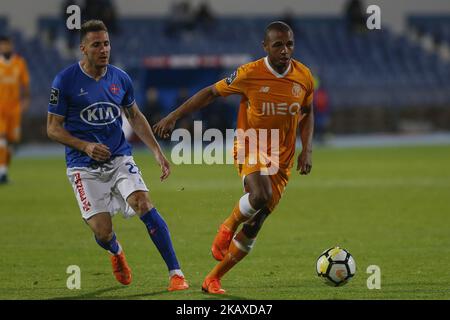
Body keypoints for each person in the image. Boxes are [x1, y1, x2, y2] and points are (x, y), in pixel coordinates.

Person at [154, 21, 314, 294]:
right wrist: (173, 116)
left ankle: (213, 279)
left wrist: (306, 148)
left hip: (283, 158)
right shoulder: (249, 73)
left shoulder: (304, 76)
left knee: (257, 221)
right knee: (261, 195)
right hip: (250, 145)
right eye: (278, 45)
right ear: (265, 47)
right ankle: (227, 225)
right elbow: (210, 93)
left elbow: (308, 112)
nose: (285, 50)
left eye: (289, 44)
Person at [46, 20, 189, 291]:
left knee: (143, 203)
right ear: (83, 49)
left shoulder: (120, 78)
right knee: (103, 232)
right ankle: (116, 251)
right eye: (97, 44)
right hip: (83, 166)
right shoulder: (65, 81)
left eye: (107, 43)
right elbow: (53, 129)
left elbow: (134, 116)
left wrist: (157, 152)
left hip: (119, 157)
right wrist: (85, 146)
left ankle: (176, 273)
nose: (104, 49)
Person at [0, 35, 30, 184]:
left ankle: (4, 171)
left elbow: (25, 84)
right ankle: (2, 172)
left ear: (11, 45)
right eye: (2, 45)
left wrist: (26, 100)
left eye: (7, 44)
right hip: (0, 108)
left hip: (15, 109)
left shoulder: (19, 63)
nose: (5, 47)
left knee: (12, 142)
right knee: (2, 137)